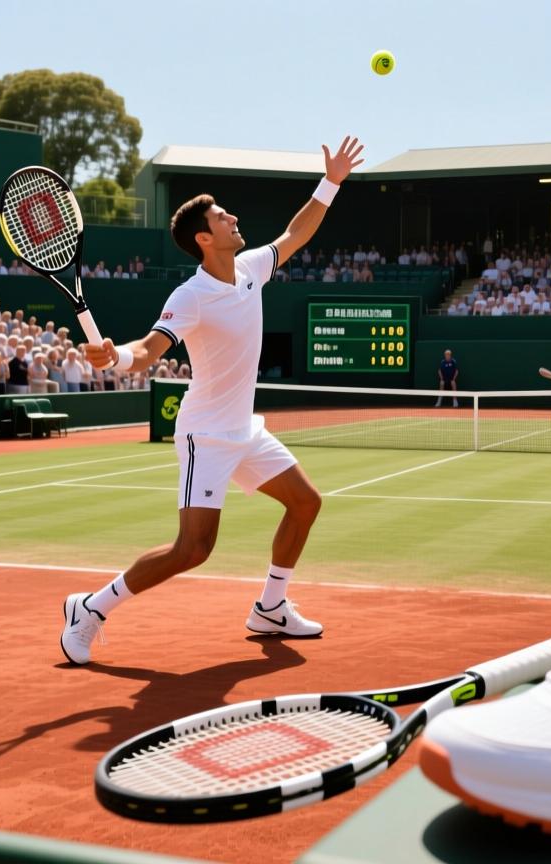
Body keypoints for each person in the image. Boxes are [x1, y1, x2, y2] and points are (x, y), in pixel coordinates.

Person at [60, 136, 364, 666]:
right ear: (205, 238)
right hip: (206, 435)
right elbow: (149, 350)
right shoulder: (190, 296)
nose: (233, 218)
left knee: (305, 502)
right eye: (223, 217)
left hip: (245, 429)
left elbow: (296, 233)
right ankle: (91, 607)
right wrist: (117, 358)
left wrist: (330, 182)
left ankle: (270, 608)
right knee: (193, 549)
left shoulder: (251, 268)